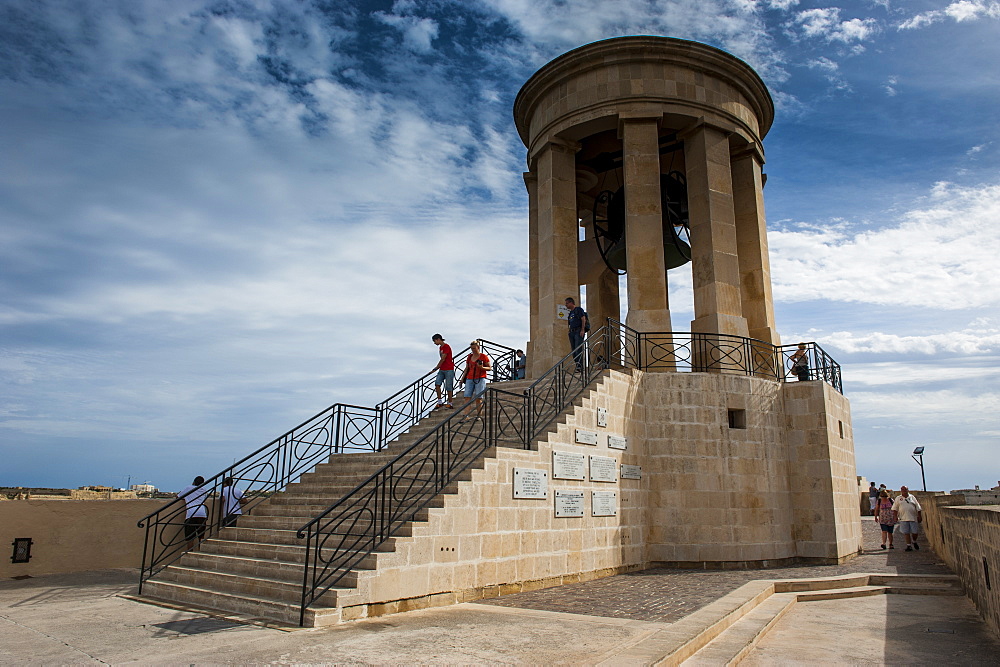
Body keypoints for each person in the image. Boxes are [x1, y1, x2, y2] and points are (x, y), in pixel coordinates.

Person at [459, 339, 491, 420]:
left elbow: (489, 368)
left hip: (480, 378)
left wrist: (482, 367)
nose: (473, 350)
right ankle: (466, 415)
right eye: (471, 348)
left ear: (478, 347)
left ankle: (479, 415)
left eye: (474, 348)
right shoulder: (469, 356)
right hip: (470, 378)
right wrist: (462, 379)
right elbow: (467, 368)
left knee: (478, 397)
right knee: (467, 397)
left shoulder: (483, 356)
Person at [178, 476, 210, 547]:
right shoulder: (204, 489)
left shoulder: (189, 488)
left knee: (190, 537)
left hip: (191, 514)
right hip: (202, 513)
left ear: (194, 482)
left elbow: (179, 496)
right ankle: (201, 551)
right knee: (201, 536)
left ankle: (189, 552)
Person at [891, 485, 923, 551]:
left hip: (913, 517)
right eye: (902, 489)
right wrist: (895, 516)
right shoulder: (898, 498)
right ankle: (908, 545)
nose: (904, 491)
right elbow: (895, 508)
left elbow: (918, 507)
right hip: (903, 518)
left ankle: (914, 541)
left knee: (915, 532)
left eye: (905, 489)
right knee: (906, 532)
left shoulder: (912, 497)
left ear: (908, 490)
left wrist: (919, 516)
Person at [431, 334, 455, 409]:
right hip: (442, 369)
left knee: (448, 386)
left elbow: (443, 358)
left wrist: (436, 368)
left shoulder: (446, 346)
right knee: (437, 384)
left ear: (438, 339)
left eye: (434, 341)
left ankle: (450, 403)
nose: (434, 343)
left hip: (448, 369)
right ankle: (440, 401)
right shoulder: (440, 347)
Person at [565, 297, 588, 370]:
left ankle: (580, 366)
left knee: (578, 348)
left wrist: (582, 329)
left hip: (578, 331)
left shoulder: (578, 310)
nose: (566, 305)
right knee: (574, 350)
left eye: (567, 303)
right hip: (572, 332)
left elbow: (583, 318)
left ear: (571, 303)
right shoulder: (570, 313)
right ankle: (577, 365)